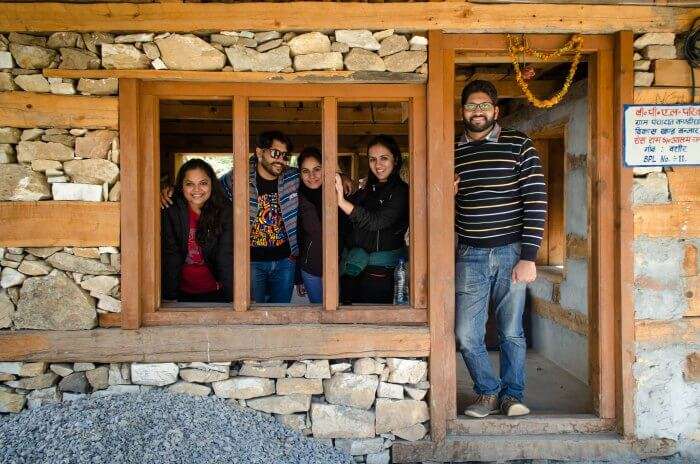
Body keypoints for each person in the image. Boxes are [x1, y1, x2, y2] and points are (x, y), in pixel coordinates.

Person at [454, 80, 547, 418]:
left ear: (495, 111)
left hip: (511, 253)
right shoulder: (452, 152)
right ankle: (488, 392)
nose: (476, 111)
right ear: (462, 111)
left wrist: (529, 257)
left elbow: (536, 200)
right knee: (465, 334)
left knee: (511, 331)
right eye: (470, 106)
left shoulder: (519, 145)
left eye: (483, 105)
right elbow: (440, 207)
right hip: (470, 254)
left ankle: (512, 395)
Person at [335, 134, 409, 305]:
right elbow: (346, 217)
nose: (378, 165)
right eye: (372, 159)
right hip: (353, 267)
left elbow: (376, 221)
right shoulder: (368, 190)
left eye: (384, 158)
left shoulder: (401, 192)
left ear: (395, 160)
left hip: (380, 273)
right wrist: (343, 178)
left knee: (373, 325)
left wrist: (342, 202)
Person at [161, 158, 233, 303]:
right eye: (190, 184)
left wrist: (230, 295)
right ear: (181, 186)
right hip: (181, 293)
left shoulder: (224, 212)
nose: (197, 190)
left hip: (216, 291)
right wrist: (170, 296)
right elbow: (171, 254)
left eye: (203, 183)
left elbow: (225, 256)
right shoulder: (171, 210)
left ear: (212, 184)